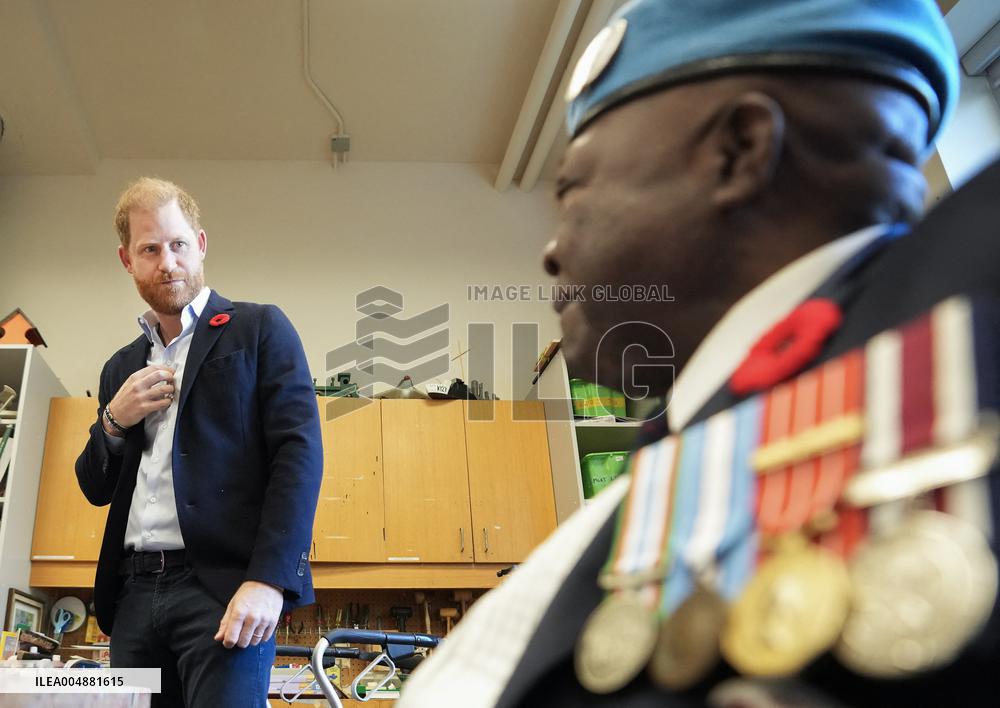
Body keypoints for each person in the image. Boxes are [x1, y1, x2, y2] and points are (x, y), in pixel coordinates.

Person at [400, 1, 1000, 706]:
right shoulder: (687, 450)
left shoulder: (970, 296)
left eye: (571, 190)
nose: (551, 249)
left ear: (740, 151)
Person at [75, 177, 323, 706]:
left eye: (178, 244)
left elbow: (298, 454)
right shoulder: (120, 366)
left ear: (201, 244)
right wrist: (113, 421)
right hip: (134, 597)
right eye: (150, 249)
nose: (167, 262)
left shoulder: (258, 329)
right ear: (128, 260)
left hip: (223, 590)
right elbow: (96, 487)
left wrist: (269, 580)